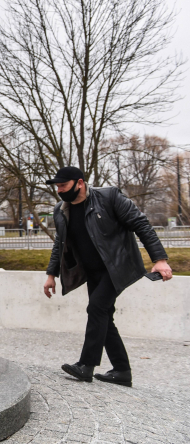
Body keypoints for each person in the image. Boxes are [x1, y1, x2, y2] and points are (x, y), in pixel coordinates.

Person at [44, 166, 172, 387]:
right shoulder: (61, 210)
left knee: (96, 308)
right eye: (57, 187)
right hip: (92, 271)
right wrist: (51, 274)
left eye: (63, 186)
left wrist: (159, 259)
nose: (60, 191)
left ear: (80, 183)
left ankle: (86, 366)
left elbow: (141, 224)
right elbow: (60, 244)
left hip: (118, 266)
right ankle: (122, 370)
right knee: (103, 315)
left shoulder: (109, 197)